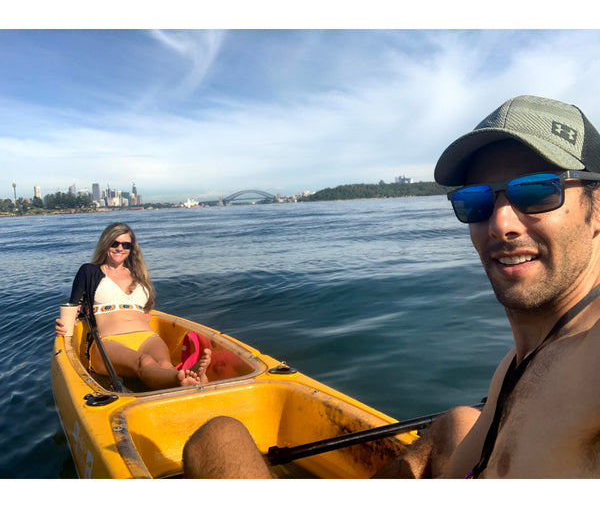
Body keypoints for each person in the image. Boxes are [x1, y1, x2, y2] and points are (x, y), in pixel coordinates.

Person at [182, 94, 600, 478]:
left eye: (538, 191)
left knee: (217, 436)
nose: (500, 223)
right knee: (456, 421)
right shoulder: (517, 363)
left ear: (596, 209)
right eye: (477, 201)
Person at [55, 222, 211, 389]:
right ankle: (184, 379)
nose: (120, 248)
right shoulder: (90, 272)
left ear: (131, 249)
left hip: (146, 336)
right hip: (109, 341)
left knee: (164, 363)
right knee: (144, 362)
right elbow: (72, 307)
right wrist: (63, 326)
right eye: (114, 243)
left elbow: (146, 309)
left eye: (126, 245)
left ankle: (187, 378)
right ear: (106, 243)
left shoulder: (138, 275)